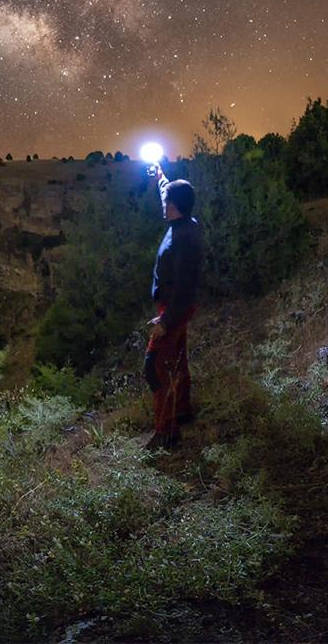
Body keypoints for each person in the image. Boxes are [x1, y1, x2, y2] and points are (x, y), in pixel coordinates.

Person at [143, 165, 202, 449]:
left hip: (174, 310)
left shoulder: (185, 240)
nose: (163, 204)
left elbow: (184, 287)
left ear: (175, 207)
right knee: (177, 361)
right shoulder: (185, 222)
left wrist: (165, 322)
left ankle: (166, 431)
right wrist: (160, 178)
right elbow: (168, 192)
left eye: (166, 202)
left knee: (154, 368)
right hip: (175, 308)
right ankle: (182, 411)